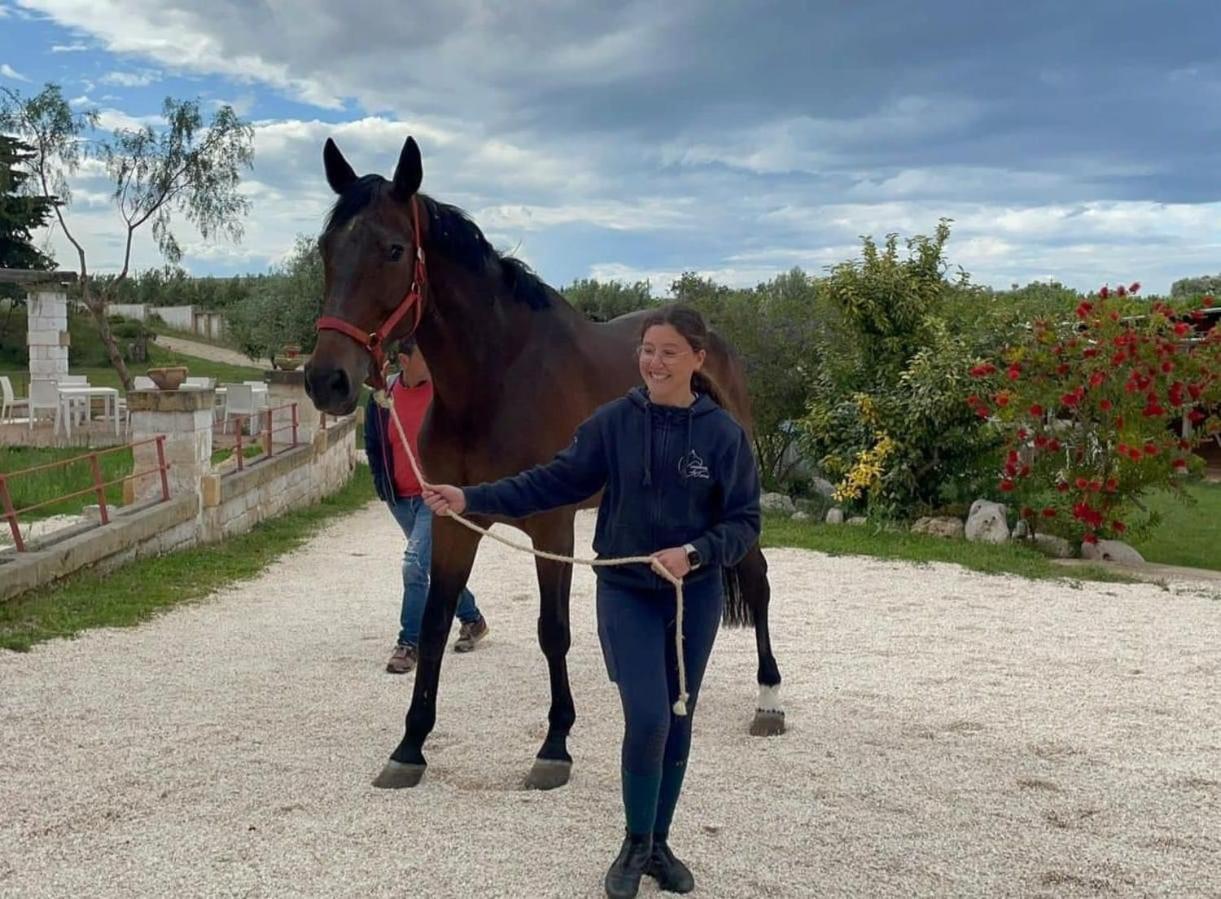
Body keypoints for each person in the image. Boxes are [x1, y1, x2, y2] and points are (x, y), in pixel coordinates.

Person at [424, 306, 761, 898]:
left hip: (693, 595)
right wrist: (468, 495)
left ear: (698, 361)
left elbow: (744, 521)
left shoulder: (721, 435)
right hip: (626, 592)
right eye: (648, 350)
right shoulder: (612, 423)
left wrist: (697, 552)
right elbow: (548, 482)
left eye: (669, 353)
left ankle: (659, 844)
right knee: (650, 715)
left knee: (679, 718)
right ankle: (634, 844)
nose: (654, 363)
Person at [366, 340, 489, 674]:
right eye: (426, 356)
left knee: (414, 567)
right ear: (404, 360)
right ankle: (473, 619)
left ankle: (409, 644)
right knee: (433, 566)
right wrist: (383, 485)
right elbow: (374, 441)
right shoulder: (384, 396)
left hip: (433, 499)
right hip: (400, 499)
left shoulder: (445, 394)